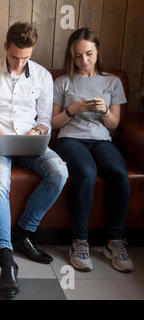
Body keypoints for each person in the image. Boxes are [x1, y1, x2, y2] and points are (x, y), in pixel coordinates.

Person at [0, 22, 68, 297]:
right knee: (0, 183)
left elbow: (46, 119)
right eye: (15, 57)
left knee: (60, 171)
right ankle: (6, 257)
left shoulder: (43, 77)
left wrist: (38, 130)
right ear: (5, 48)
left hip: (30, 141)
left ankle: (25, 230)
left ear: (32, 51)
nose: (19, 63)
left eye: (26, 57)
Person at [52, 27, 133, 273]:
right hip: (70, 139)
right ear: (71, 56)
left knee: (119, 173)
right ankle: (80, 240)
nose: (83, 61)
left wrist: (104, 111)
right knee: (86, 172)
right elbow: (52, 123)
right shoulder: (63, 82)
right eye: (77, 56)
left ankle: (114, 242)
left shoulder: (112, 82)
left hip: (101, 140)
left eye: (88, 54)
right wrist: (71, 111)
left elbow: (114, 124)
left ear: (97, 50)